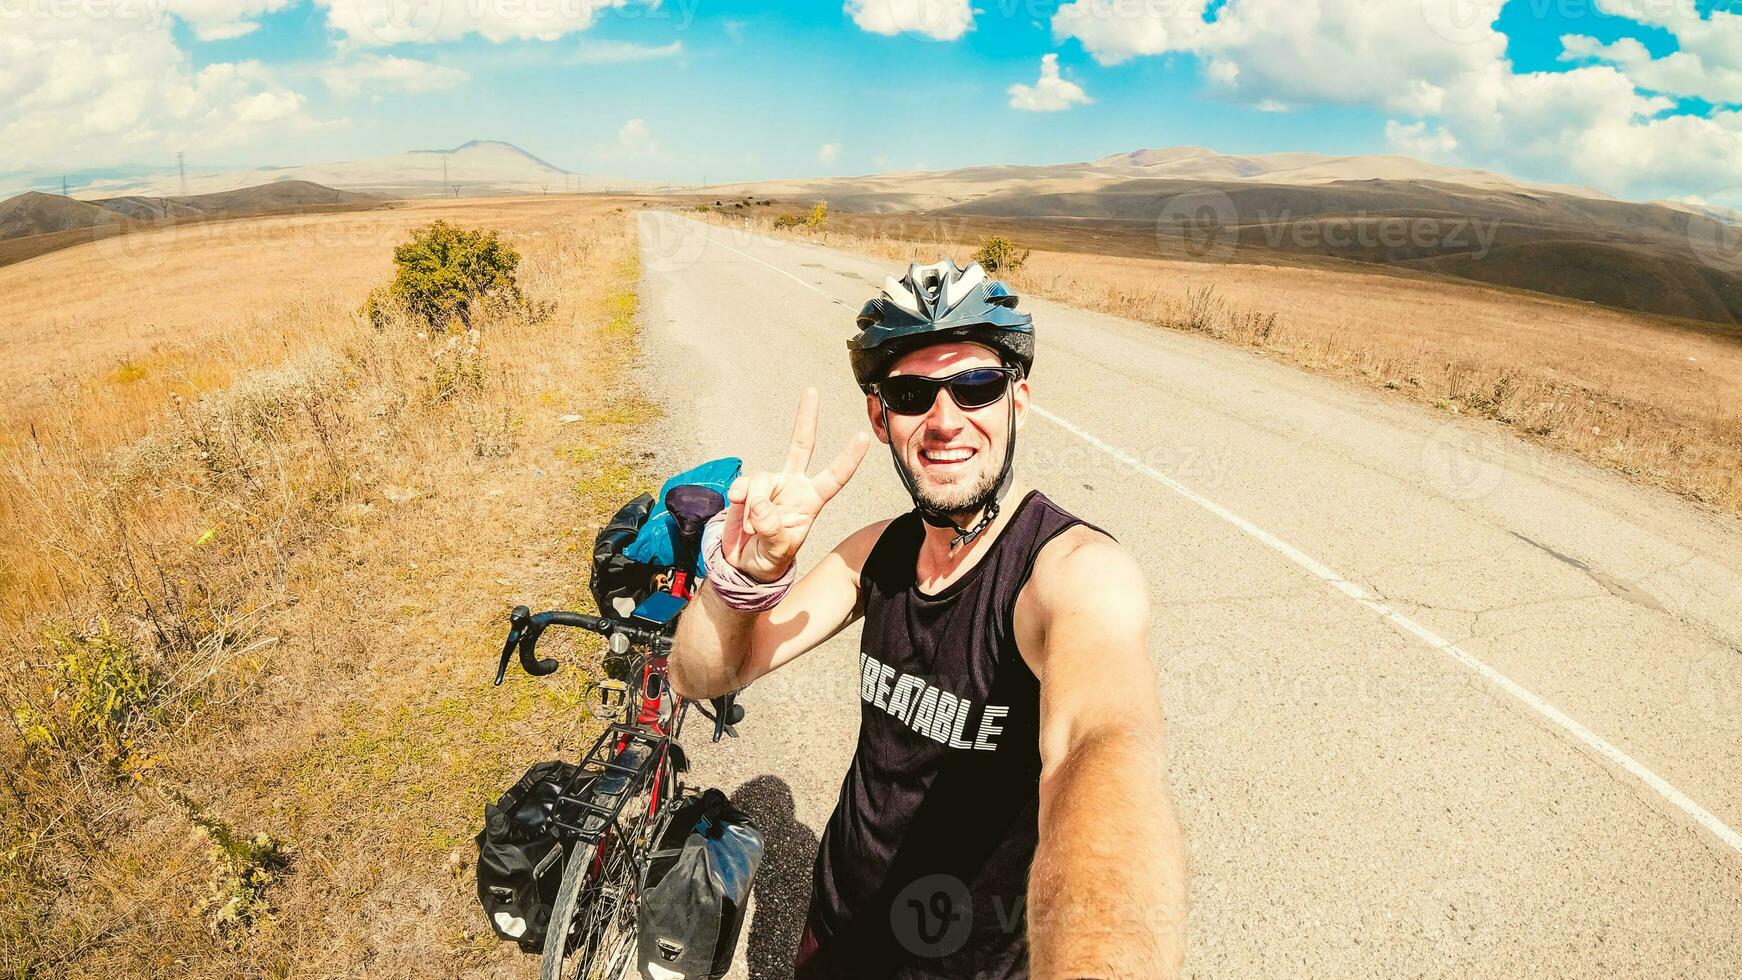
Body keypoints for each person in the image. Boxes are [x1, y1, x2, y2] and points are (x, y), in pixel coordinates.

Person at [669, 258, 1187, 979]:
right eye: (913, 393)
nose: (946, 421)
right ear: (883, 419)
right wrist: (746, 574)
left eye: (977, 386)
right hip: (837, 929)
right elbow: (703, 673)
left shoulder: (1072, 573)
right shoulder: (875, 553)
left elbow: (1099, 750)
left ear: (1019, 400)